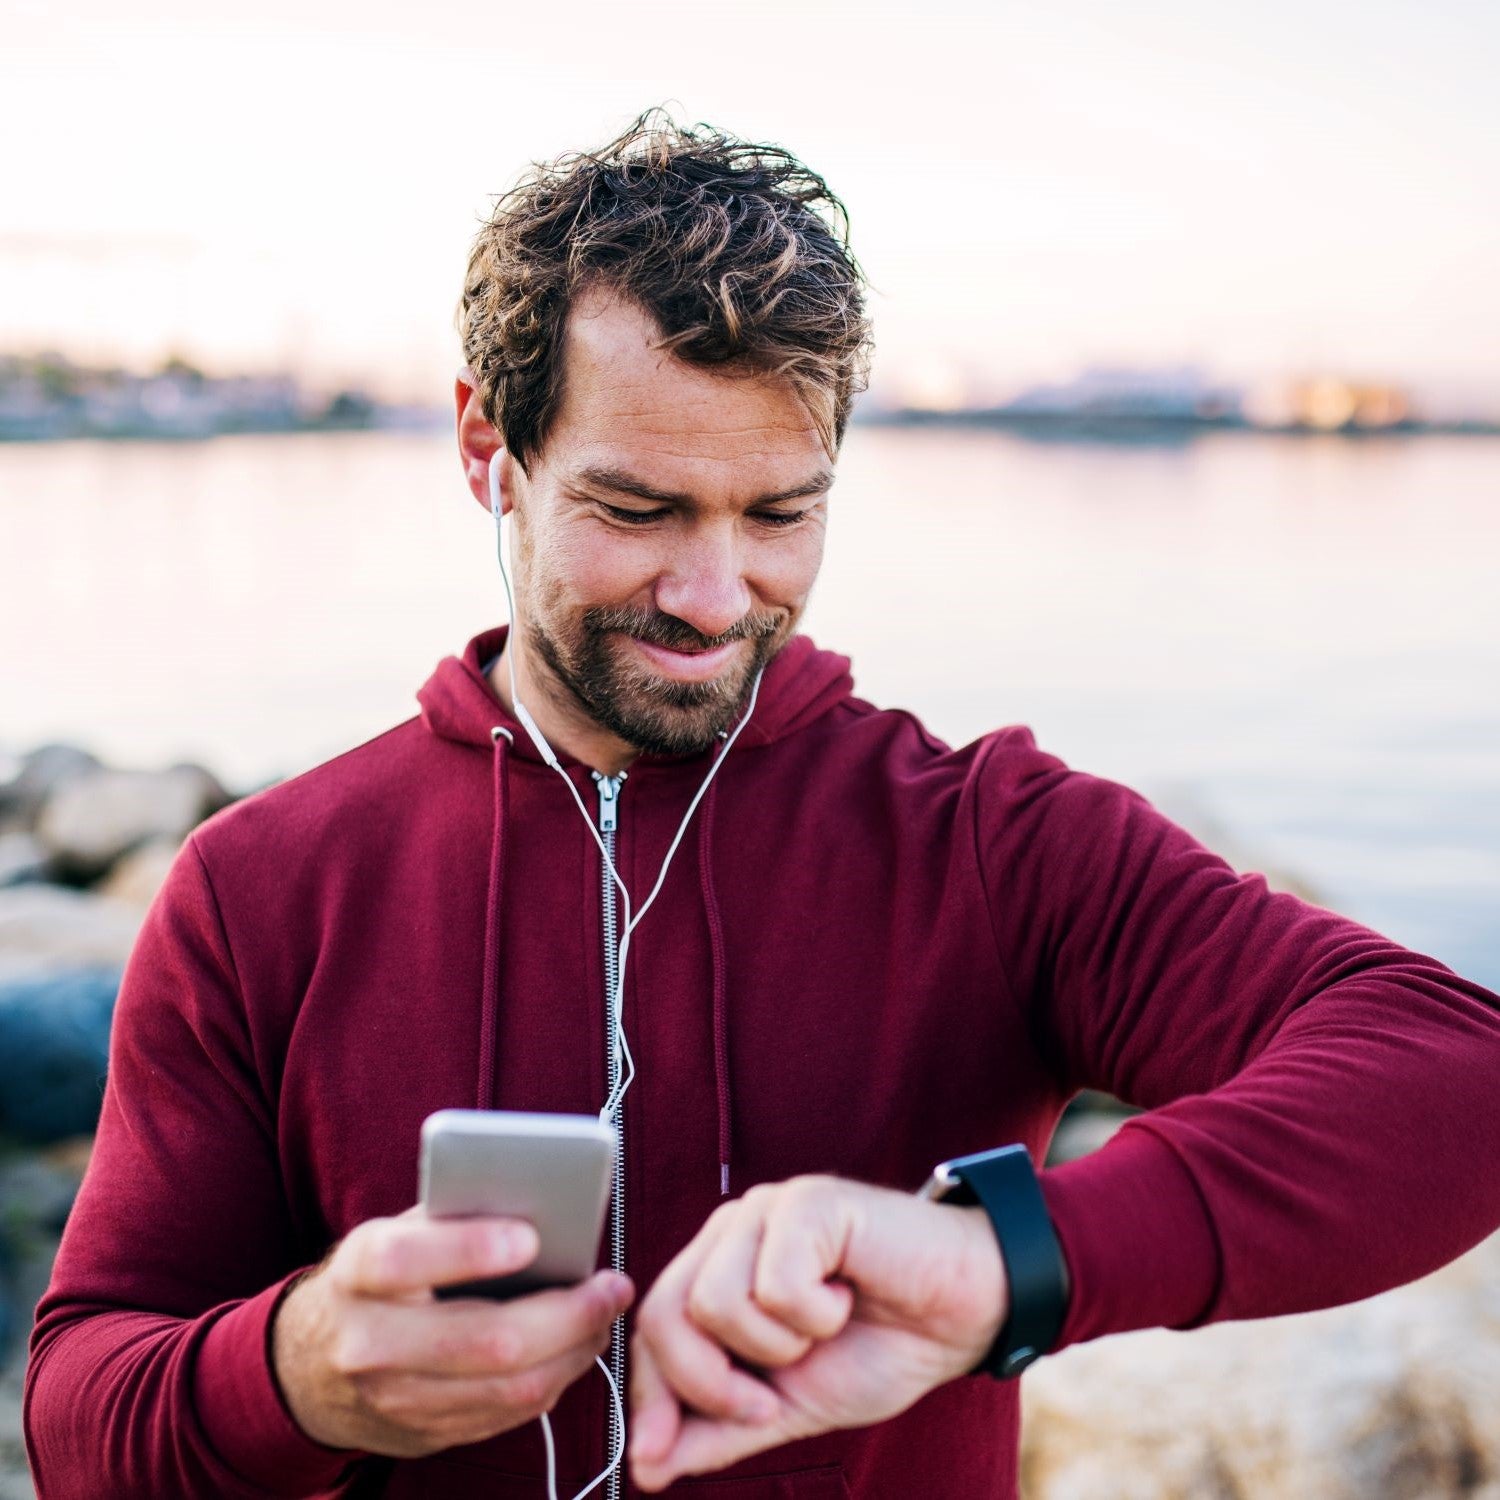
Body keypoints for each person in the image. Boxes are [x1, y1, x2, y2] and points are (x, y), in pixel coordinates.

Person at [23, 112, 1500, 1500]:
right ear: (491, 450)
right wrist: (299, 1374)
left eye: (781, 513)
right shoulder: (262, 886)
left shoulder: (986, 838)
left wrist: (1004, 1261)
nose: (716, 596)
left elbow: (1456, 1076)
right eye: (638, 509)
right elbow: (83, 1409)